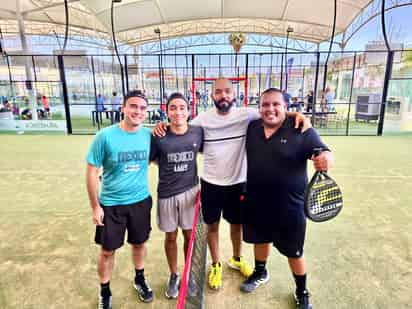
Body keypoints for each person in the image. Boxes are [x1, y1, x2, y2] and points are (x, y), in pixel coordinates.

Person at [154, 78, 311, 290]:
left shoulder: (246, 115)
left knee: (236, 225)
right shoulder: (202, 120)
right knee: (212, 227)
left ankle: (236, 258)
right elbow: (180, 127)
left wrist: (296, 115)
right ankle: (216, 264)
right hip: (211, 183)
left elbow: (274, 113)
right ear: (212, 96)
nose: (223, 96)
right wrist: (161, 126)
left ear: (234, 94)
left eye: (227, 91)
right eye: (218, 92)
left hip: (238, 182)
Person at [241, 88, 333, 309]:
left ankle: (302, 291)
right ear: (259, 107)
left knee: (295, 252)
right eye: (265, 104)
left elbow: (324, 151)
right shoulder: (252, 127)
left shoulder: (300, 129)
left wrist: (326, 158)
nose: (270, 109)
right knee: (260, 240)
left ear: (285, 107)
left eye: (276, 104)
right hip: (257, 201)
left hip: (290, 207)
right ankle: (260, 272)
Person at [86, 90, 154, 309]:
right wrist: (95, 206)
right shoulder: (104, 136)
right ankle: (105, 291)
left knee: (139, 243)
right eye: (133, 106)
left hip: (140, 202)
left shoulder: (148, 136)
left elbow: (160, 159)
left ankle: (139, 279)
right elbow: (91, 171)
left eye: (143, 108)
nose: (138, 111)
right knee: (107, 251)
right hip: (111, 205)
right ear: (123, 108)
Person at [150, 92, 203, 299]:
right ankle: (174, 274)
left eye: (182, 107)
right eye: (173, 107)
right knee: (170, 236)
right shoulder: (158, 135)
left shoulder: (198, 132)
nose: (178, 111)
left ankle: (189, 274)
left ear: (189, 111)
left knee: (190, 237)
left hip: (191, 192)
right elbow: (151, 160)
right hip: (167, 194)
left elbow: (212, 153)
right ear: (167, 110)